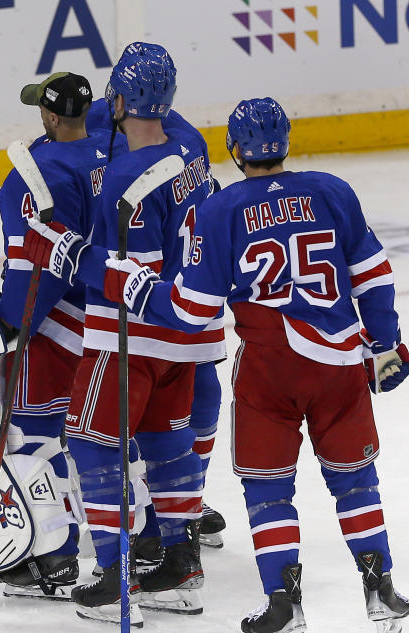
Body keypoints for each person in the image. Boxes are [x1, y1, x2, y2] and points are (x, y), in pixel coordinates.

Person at [89, 97, 409, 633]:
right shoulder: (333, 190)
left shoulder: (222, 208)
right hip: (339, 363)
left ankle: (284, 604)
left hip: (269, 368)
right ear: (287, 140)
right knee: (356, 480)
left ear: (234, 150)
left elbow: (192, 312)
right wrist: (387, 345)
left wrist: (129, 284)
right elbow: (373, 276)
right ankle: (382, 593)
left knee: (268, 488)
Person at [22, 42, 220, 625]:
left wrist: (62, 250)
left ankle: (115, 575)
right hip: (187, 338)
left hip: (130, 337)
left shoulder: (129, 183)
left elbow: (128, 278)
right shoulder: (190, 143)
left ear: (119, 99)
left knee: (91, 442)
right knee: (165, 443)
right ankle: (181, 566)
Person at [0, 72, 122, 599]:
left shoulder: (38, 177)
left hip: (57, 326)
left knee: (26, 435)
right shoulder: (112, 150)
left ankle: (53, 557)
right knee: (92, 433)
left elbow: (34, 285)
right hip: (109, 316)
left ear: (52, 116)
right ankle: (129, 542)